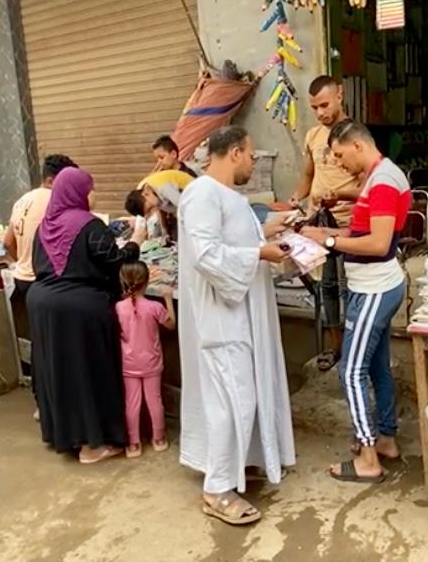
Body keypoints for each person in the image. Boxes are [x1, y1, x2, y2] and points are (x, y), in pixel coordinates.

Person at [178, 125, 295, 526]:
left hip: (242, 315)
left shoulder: (228, 196)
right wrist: (260, 253)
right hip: (222, 318)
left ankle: (240, 464)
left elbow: (232, 241)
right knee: (231, 401)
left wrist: (267, 235)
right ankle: (216, 490)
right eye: (250, 155)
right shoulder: (202, 194)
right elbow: (207, 255)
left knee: (244, 395)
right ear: (234, 153)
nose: (252, 163)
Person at [302, 120, 410, 484]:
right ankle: (386, 439)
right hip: (374, 285)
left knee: (350, 371)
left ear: (357, 146)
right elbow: (360, 230)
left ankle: (367, 457)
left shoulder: (382, 181)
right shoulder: (377, 176)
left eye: (339, 155)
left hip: (374, 289)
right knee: (376, 367)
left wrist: (330, 242)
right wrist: (325, 233)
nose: (337, 163)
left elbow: (377, 244)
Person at [27, 167, 139, 464]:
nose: (94, 194)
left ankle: (65, 436)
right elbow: (115, 262)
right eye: (91, 189)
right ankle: (93, 445)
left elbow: (39, 266)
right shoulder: (89, 225)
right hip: (79, 309)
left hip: (43, 305)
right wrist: (135, 243)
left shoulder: (44, 227)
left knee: (60, 371)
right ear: (78, 192)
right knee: (89, 372)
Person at [290, 76, 361, 371]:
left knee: (350, 288)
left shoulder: (356, 135)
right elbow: (308, 176)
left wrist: (340, 195)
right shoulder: (313, 136)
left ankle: (355, 348)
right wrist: (295, 201)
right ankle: (335, 346)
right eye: (314, 107)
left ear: (340, 95)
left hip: (351, 223)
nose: (320, 113)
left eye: (324, 105)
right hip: (321, 224)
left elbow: (367, 183)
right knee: (327, 286)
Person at [3, 154, 77, 419]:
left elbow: (7, 242)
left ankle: (41, 402)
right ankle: (61, 404)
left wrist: (22, 262)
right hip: (47, 281)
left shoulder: (22, 200)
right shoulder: (55, 200)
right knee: (59, 344)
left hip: (24, 280)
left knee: (40, 343)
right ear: (55, 179)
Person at [116, 260, 175, 459]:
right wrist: (168, 299)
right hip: (151, 363)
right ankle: (159, 438)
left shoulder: (118, 308)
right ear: (147, 281)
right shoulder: (154, 307)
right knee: (154, 401)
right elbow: (171, 325)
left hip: (128, 364)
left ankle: (133, 443)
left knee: (131, 403)